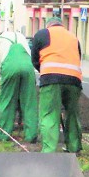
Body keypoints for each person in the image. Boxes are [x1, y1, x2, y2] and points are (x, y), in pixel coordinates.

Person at [31, 17, 82, 153]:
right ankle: (74, 148)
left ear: (49, 25)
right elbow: (78, 58)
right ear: (61, 25)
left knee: (49, 114)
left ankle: (49, 151)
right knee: (72, 113)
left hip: (51, 79)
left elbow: (35, 59)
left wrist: (44, 72)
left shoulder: (42, 34)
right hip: (74, 80)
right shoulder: (73, 37)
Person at [0, 31, 38, 143]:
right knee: (29, 102)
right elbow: (29, 54)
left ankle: (5, 134)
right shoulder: (21, 37)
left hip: (10, 67)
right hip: (28, 67)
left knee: (7, 101)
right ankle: (31, 135)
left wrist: (5, 78)